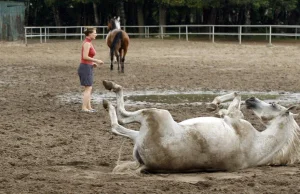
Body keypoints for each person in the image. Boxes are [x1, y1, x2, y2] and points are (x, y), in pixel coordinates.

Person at [78, 27, 104, 112]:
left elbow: (87, 57)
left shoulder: (89, 42)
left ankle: (89, 107)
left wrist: (92, 63)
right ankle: (84, 108)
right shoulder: (87, 43)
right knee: (88, 88)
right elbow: (84, 56)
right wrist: (96, 60)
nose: (96, 34)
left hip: (88, 66)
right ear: (90, 34)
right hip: (85, 67)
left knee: (89, 88)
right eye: (95, 32)